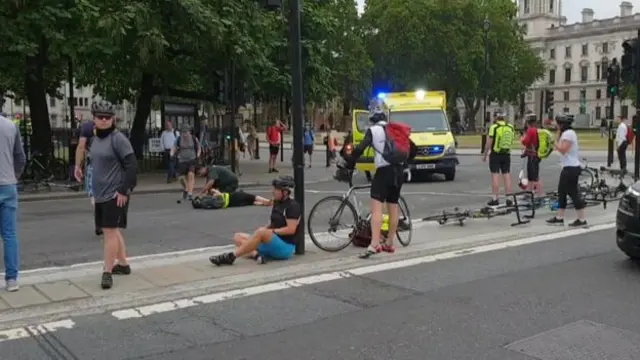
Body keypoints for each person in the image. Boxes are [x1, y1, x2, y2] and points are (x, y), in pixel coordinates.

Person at [344, 99, 416, 258]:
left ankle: (374, 243)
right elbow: (414, 148)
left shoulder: (373, 130)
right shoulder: (395, 129)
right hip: (398, 171)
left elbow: (360, 150)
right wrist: (405, 164)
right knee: (393, 207)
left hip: (383, 172)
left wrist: (349, 162)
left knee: (376, 209)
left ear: (371, 115)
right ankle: (390, 242)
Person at [87, 100, 138, 289]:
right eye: (100, 117)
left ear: (113, 119)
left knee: (108, 232)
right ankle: (123, 264)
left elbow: (132, 165)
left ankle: (107, 272)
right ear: (94, 119)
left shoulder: (118, 139)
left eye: (107, 117)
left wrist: (124, 189)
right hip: (100, 194)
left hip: (115, 194)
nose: (104, 120)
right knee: (113, 230)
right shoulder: (95, 140)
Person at [209, 176, 301, 265]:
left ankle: (231, 257)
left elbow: (291, 229)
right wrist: (264, 229)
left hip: (285, 247)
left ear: (285, 192)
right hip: (271, 241)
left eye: (276, 189)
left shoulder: (292, 206)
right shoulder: (277, 202)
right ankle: (257, 255)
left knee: (260, 233)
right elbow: (272, 221)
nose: (273, 191)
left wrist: (269, 231)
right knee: (238, 237)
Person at [0, 114, 26, 292]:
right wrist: (14, 176)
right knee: (9, 234)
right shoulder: (10, 126)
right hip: (8, 184)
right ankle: (11, 280)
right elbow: (21, 157)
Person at [546, 115, 587, 227]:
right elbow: (560, 143)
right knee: (562, 192)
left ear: (562, 124)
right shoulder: (567, 133)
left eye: (558, 124)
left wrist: (553, 143)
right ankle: (559, 217)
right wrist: (558, 134)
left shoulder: (569, 134)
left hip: (571, 168)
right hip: (568, 167)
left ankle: (582, 219)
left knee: (573, 193)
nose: (556, 126)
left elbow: (563, 150)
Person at [74, 119, 103, 236]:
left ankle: (99, 220)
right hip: (108, 166)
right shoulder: (111, 125)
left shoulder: (87, 126)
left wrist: (77, 166)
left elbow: (81, 147)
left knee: (93, 195)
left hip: (93, 165)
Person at [483, 111, 514, 206]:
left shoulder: (494, 127)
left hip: (496, 154)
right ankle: (509, 198)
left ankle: (495, 198)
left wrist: (485, 155)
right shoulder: (510, 127)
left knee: (495, 176)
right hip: (506, 153)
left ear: (496, 117)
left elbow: (489, 143)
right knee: (507, 175)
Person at [171, 125, 201, 200]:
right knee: (180, 177)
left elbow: (199, 147)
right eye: (183, 132)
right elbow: (174, 147)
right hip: (182, 160)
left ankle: (190, 193)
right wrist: (171, 154)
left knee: (191, 175)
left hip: (192, 159)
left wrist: (198, 155)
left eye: (186, 132)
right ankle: (186, 188)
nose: (184, 134)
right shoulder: (179, 139)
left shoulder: (194, 138)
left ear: (189, 132)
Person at [520, 115, 542, 195]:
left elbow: (526, 141)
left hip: (532, 155)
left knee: (532, 176)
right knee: (535, 174)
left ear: (527, 122)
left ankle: (535, 192)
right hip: (536, 154)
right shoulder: (537, 130)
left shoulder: (530, 130)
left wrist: (522, 138)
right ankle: (533, 192)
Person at [198, 188, 272, 208]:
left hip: (233, 204)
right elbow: (217, 193)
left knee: (250, 202)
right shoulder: (216, 196)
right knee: (252, 197)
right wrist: (213, 190)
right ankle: (267, 201)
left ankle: (262, 203)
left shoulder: (211, 203)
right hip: (233, 196)